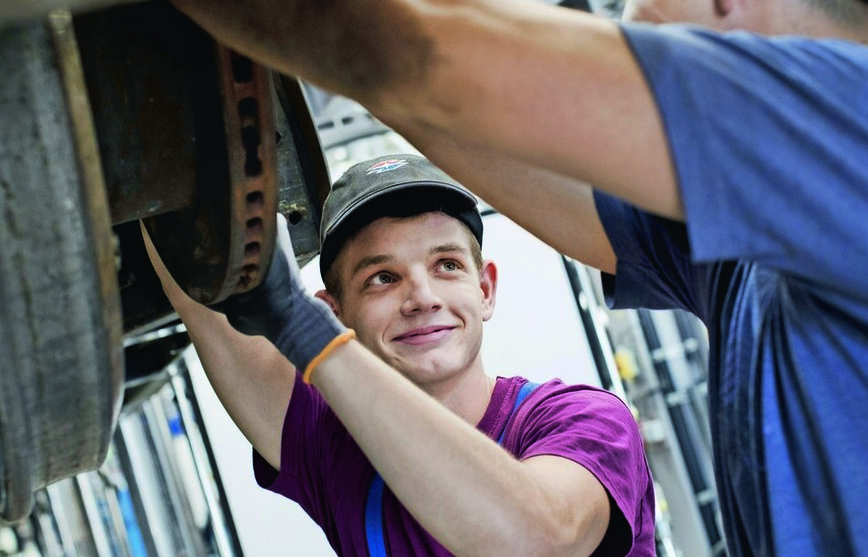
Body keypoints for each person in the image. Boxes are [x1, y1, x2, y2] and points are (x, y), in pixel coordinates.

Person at [164, 0, 868, 556]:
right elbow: (430, 93)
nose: (622, 16)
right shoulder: (758, 258)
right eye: (380, 277)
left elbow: (422, 52)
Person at [143, 154, 656, 556]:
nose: (422, 297)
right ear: (336, 311)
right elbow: (190, 259)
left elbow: (540, 539)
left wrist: (302, 329)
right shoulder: (333, 450)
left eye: (447, 265)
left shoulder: (586, 423)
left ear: (486, 290)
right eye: (382, 278)